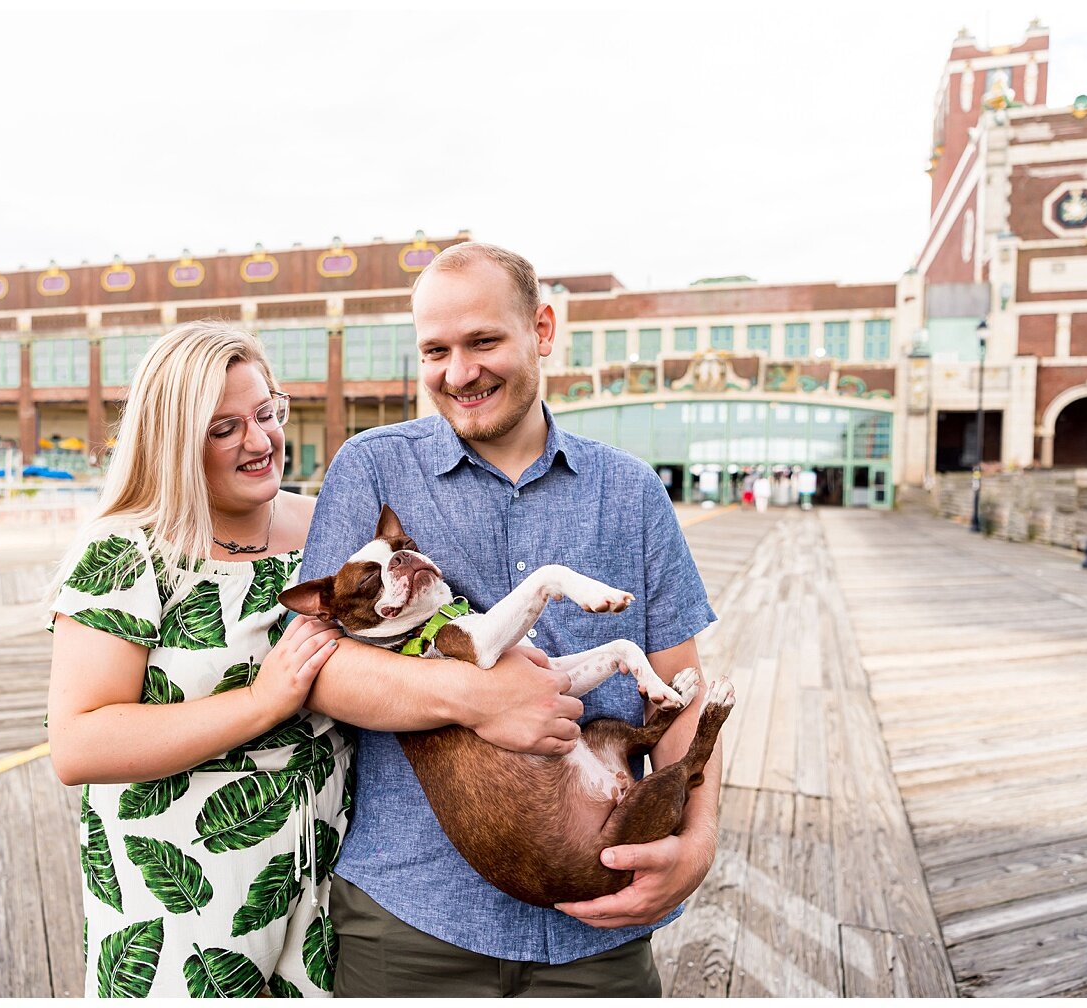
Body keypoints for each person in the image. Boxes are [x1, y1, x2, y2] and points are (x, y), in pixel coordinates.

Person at [299, 243, 722, 997]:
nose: (460, 373)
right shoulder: (371, 469)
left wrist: (699, 842)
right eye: (436, 350)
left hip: (601, 926)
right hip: (413, 919)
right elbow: (317, 672)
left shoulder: (630, 492)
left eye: (484, 341)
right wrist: (476, 698)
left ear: (543, 330)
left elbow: (683, 688)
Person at [46, 322, 350, 998]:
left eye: (266, 414)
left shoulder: (330, 527)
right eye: (224, 429)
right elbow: (77, 742)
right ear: (175, 439)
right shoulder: (128, 553)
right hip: (180, 902)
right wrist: (259, 703)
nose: (261, 440)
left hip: (326, 877)